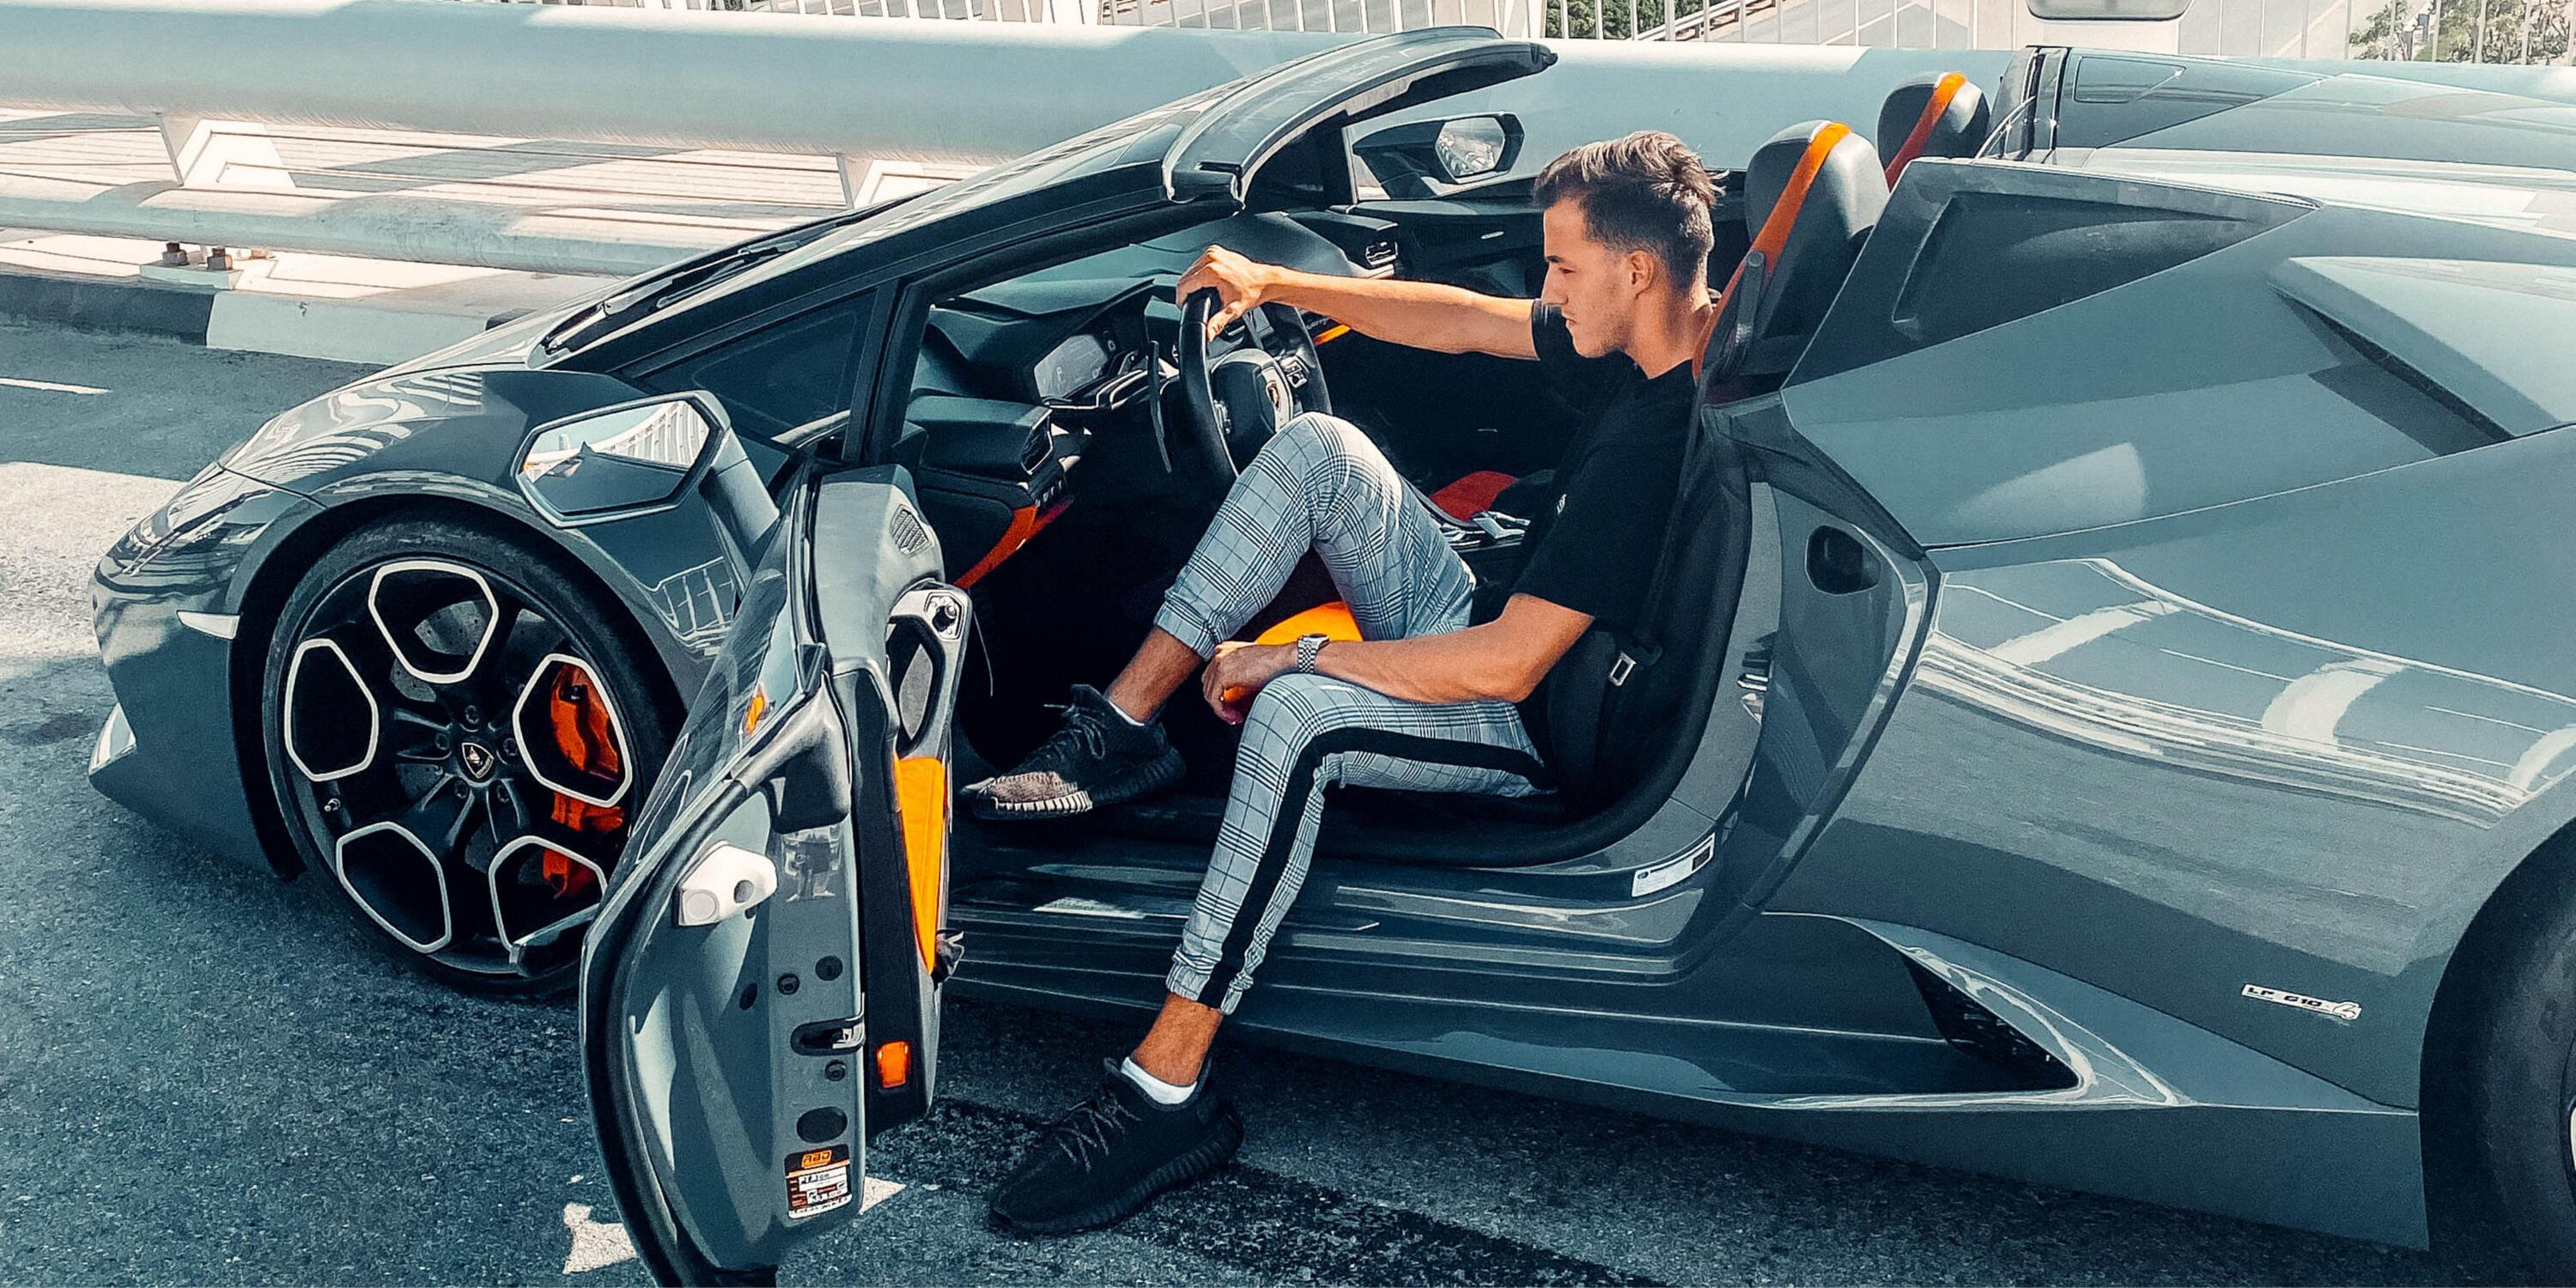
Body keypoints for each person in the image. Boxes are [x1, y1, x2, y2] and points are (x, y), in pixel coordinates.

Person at [971, 131, 1720, 1236]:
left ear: (1637, 270)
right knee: (1319, 449)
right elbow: (1464, 320)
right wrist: (1274, 282)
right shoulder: (1654, 339)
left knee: (1296, 718)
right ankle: (1124, 725)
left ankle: (1165, 1085)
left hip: (1522, 718)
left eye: (1563, 267)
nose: (1549, 290)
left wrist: (1289, 656)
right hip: (1490, 609)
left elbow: (1507, 665)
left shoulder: (1653, 446)